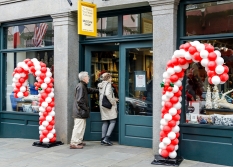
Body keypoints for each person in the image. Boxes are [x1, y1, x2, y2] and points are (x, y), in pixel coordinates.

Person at [70, 71, 99, 149]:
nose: (89, 77)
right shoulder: (81, 86)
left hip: (81, 111)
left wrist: (98, 90)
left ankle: (78, 141)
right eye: (87, 76)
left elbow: (90, 90)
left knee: (81, 127)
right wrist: (86, 109)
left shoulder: (83, 86)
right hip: (80, 112)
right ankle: (74, 143)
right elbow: (79, 101)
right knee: (78, 127)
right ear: (84, 78)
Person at [98, 73, 118, 146]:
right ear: (108, 78)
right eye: (111, 78)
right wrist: (113, 101)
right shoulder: (108, 84)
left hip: (103, 104)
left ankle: (102, 139)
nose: (111, 79)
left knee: (105, 121)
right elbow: (107, 94)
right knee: (113, 121)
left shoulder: (101, 84)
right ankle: (107, 138)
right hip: (108, 105)